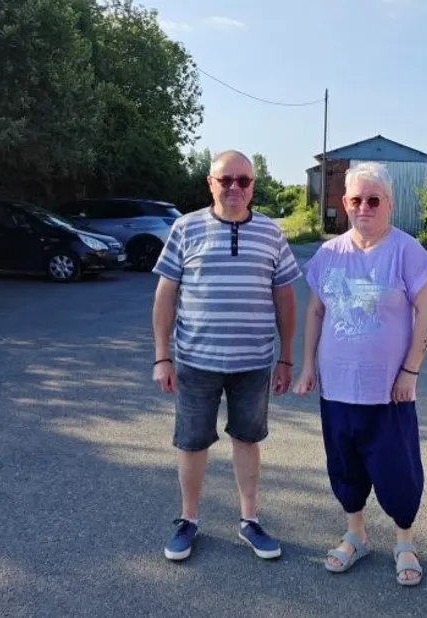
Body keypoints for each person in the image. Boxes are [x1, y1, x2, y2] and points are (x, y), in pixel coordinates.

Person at [293, 161, 427, 587]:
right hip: (337, 388)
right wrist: (307, 367)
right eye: (356, 200)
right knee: (345, 465)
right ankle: (355, 535)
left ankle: (404, 542)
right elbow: (315, 311)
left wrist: (410, 371)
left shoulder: (406, 251)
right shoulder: (329, 254)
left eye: (373, 200)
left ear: (389, 204)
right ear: (344, 203)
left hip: (388, 391)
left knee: (398, 470)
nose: (364, 208)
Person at [151, 149, 301, 562]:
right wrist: (162, 356)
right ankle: (188, 520)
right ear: (210, 183)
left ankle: (249, 521)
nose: (235, 187)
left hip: (253, 363)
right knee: (192, 442)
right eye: (226, 180)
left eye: (244, 180)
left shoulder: (271, 233)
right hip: (196, 361)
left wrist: (286, 357)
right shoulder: (185, 228)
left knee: (248, 439)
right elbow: (165, 295)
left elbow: (285, 298)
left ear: (253, 185)